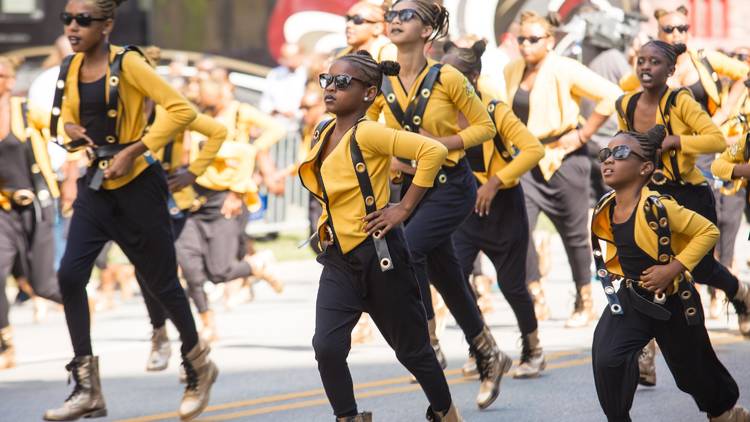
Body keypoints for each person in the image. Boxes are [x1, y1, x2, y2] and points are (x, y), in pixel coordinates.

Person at [45, 1, 216, 420]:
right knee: (69, 274)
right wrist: (70, 128)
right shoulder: (69, 68)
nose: (72, 26)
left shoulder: (131, 64)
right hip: (96, 187)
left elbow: (181, 111)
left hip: (139, 186)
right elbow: (62, 118)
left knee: (162, 284)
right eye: (67, 18)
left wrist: (135, 150)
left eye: (82, 20)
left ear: (107, 25)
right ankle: (87, 388)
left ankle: (198, 366)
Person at [300, 50, 461, 421]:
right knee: (326, 347)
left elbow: (432, 151)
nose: (331, 88)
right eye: (328, 80)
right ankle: (349, 416)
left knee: (413, 352)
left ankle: (446, 413)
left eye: (344, 83)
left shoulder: (369, 132)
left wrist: (403, 208)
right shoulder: (323, 131)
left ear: (369, 93)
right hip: (339, 259)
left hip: (380, 256)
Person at [368, 1, 509, 409]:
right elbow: (367, 129)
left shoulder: (447, 76)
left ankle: (426, 339)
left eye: (406, 15)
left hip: (451, 185)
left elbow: (484, 127)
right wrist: (391, 158)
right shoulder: (383, 79)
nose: (395, 21)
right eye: (391, 15)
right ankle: (488, 353)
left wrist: (439, 145)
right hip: (413, 185)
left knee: (408, 249)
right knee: (447, 276)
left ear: (428, 29)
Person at [590, 125, 749, 422]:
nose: (609, 160)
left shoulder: (659, 207)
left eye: (621, 153)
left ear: (645, 168)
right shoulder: (606, 207)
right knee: (607, 358)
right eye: (605, 154)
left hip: (674, 301)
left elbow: (707, 230)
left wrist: (673, 268)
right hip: (631, 299)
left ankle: (726, 414)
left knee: (693, 372)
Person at [615, 40, 750, 386]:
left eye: (656, 62)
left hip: (688, 194)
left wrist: (678, 141)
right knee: (645, 269)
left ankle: (739, 292)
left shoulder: (680, 101)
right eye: (641, 61)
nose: (646, 67)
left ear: (671, 70)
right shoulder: (626, 103)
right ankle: (646, 355)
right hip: (649, 197)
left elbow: (717, 141)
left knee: (701, 267)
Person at [504, 10, 622, 327]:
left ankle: (584, 300)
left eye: (533, 39)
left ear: (550, 40)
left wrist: (583, 134)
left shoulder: (564, 67)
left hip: (565, 159)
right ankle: (536, 297)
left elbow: (611, 95)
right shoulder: (512, 69)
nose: (525, 45)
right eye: (521, 39)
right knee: (520, 231)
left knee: (575, 236)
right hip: (526, 159)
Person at [441, 41, 547, 379]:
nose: (443, 82)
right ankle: (481, 347)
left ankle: (533, 349)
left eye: (452, 75)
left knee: (513, 284)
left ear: (473, 77)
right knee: (456, 279)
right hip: (461, 208)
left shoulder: (495, 109)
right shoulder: (437, 112)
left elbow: (533, 150)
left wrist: (494, 182)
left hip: (503, 206)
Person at [176, 79, 284, 343]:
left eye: (206, 90)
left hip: (228, 194)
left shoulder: (240, 113)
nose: (201, 95)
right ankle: (207, 323)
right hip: (194, 199)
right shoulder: (199, 117)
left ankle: (255, 266)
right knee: (189, 266)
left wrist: (253, 150)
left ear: (223, 89)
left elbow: (276, 129)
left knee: (219, 271)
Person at [0, 56, 63, 370]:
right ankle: (6, 345)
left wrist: (74, 177)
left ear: (10, 81)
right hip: (2, 209)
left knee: (42, 285)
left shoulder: (25, 111)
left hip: (36, 204)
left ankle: (79, 304)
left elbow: (66, 133)